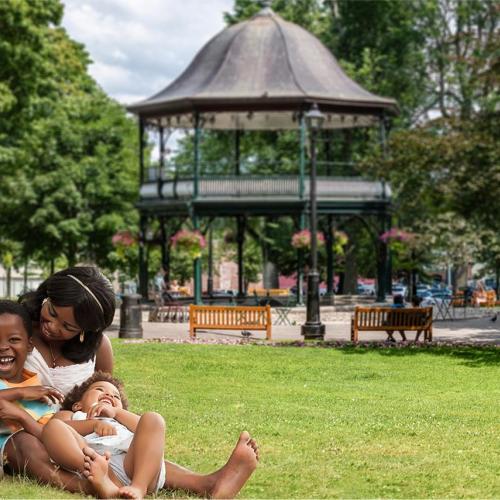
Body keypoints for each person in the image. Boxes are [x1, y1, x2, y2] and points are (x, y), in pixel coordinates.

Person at [7, 266, 258, 498]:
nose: (51, 325)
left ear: (85, 330)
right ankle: (102, 487)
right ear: (46, 296)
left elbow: (107, 392)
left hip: (82, 436)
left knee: (125, 450)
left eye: (67, 326)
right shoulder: (14, 331)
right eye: (51, 312)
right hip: (29, 430)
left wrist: (110, 421)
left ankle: (207, 484)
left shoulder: (99, 348)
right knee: (24, 444)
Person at [42, 371, 166, 500]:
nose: (108, 394)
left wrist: (116, 412)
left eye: (116, 396)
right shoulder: (75, 415)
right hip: (96, 462)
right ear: (78, 405)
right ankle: (105, 481)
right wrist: (94, 424)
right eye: (99, 389)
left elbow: (150, 431)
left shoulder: (121, 418)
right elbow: (58, 429)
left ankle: (139, 487)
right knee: (54, 426)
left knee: (154, 419)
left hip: (134, 467)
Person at [0, 300, 64, 478]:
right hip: (15, 448)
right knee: (27, 443)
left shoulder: (36, 385)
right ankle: (83, 485)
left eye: (13, 339)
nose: (3, 347)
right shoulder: (30, 390)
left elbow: (48, 427)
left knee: (64, 422)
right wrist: (20, 393)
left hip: (48, 444)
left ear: (29, 346)